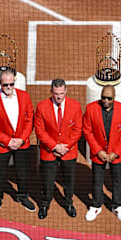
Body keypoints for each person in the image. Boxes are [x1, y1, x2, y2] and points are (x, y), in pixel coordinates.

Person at [0, 69, 36, 220]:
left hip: (21, 143)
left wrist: (21, 139)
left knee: (22, 172)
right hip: (3, 145)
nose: (8, 87)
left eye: (11, 84)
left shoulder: (24, 96)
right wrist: (7, 141)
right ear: (0, 84)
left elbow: (29, 119)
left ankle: (23, 196)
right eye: (5, 84)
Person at [34, 78, 82, 219]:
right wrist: (54, 146)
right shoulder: (42, 107)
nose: (59, 96)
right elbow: (40, 130)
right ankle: (44, 204)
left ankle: (68, 203)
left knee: (69, 180)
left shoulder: (75, 106)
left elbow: (78, 130)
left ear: (65, 91)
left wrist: (66, 147)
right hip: (49, 151)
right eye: (56, 93)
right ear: (51, 92)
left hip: (68, 150)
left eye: (61, 93)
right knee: (47, 181)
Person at [82, 85, 121, 221]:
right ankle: (96, 205)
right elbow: (87, 131)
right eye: (103, 97)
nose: (105, 100)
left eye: (109, 98)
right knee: (97, 180)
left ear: (114, 98)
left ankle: (117, 205)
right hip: (99, 153)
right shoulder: (91, 109)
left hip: (115, 154)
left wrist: (116, 152)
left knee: (117, 180)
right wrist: (98, 151)